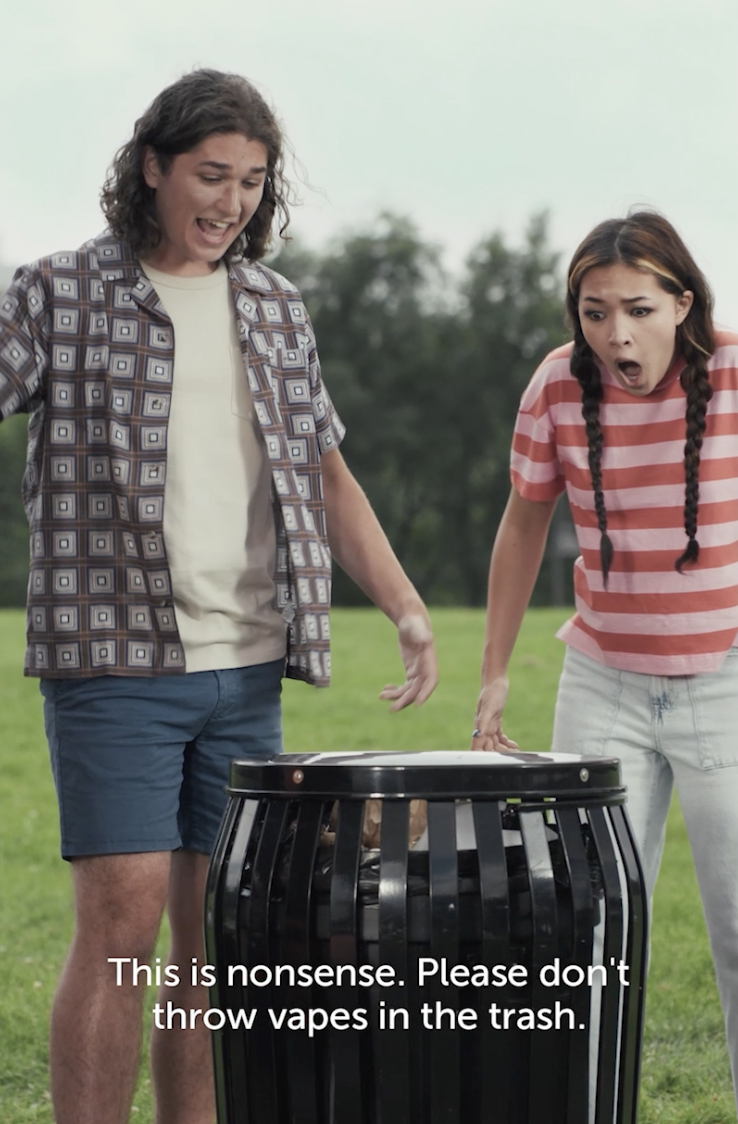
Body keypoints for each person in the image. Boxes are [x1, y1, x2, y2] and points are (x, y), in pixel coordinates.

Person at [0, 69, 437, 1124]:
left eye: (250, 181)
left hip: (244, 668)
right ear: (151, 167)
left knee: (212, 932)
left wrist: (406, 603)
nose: (230, 200)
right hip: (115, 656)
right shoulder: (57, 291)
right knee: (123, 924)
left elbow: (325, 471)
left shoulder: (275, 305)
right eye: (210, 174)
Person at [471, 209, 738, 1107]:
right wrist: (495, 671)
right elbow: (522, 523)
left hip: (725, 687)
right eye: (592, 312)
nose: (613, 333)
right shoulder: (556, 384)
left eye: (635, 308)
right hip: (603, 688)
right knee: (578, 928)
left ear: (681, 304)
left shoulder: (735, 374)